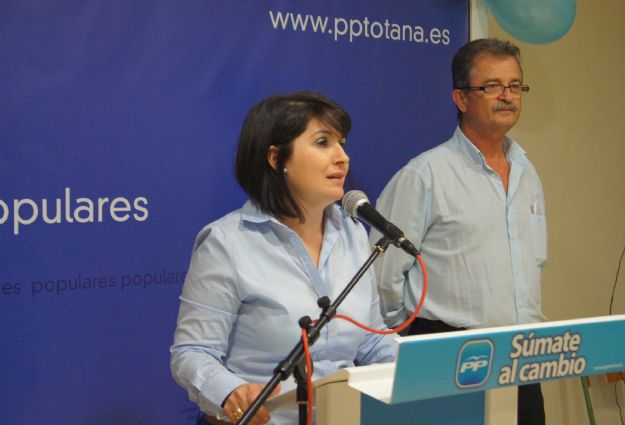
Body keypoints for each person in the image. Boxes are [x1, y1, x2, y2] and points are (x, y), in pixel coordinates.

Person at [170, 92, 397, 425]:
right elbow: (192, 353)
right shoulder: (227, 243)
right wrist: (231, 393)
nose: (342, 157)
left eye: (342, 143)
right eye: (323, 142)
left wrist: (426, 368)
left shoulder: (353, 233)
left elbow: (371, 339)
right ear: (276, 159)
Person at [370, 38, 547, 424]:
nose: (507, 96)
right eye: (492, 86)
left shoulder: (526, 171)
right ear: (461, 98)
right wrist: (415, 338)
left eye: (515, 85)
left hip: (521, 357)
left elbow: (533, 262)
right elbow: (382, 277)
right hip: (451, 358)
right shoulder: (424, 175)